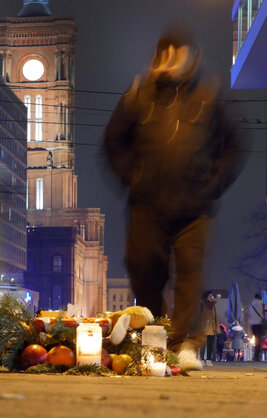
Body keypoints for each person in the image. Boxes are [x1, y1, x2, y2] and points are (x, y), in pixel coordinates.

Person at [103, 25, 242, 371]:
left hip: (194, 208)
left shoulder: (207, 96)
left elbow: (234, 146)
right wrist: (131, 178)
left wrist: (211, 184)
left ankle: (185, 345)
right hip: (147, 206)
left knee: (191, 276)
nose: (167, 61)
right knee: (143, 269)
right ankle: (155, 334)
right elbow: (113, 142)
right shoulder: (138, 95)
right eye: (161, 54)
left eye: (174, 53)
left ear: (190, 57)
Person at [198, 291, 219, 365]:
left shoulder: (213, 305)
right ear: (206, 297)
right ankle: (201, 359)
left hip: (212, 328)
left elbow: (215, 316)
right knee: (203, 344)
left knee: (210, 345)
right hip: (203, 328)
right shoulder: (202, 304)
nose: (211, 297)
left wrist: (216, 327)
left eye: (212, 296)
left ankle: (209, 359)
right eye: (210, 296)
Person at [248, 293, 265, 361]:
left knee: (257, 340)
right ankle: (256, 355)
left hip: (253, 325)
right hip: (260, 324)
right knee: (259, 340)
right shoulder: (262, 304)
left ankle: (256, 355)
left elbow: (250, 315)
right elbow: (264, 313)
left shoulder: (251, 305)